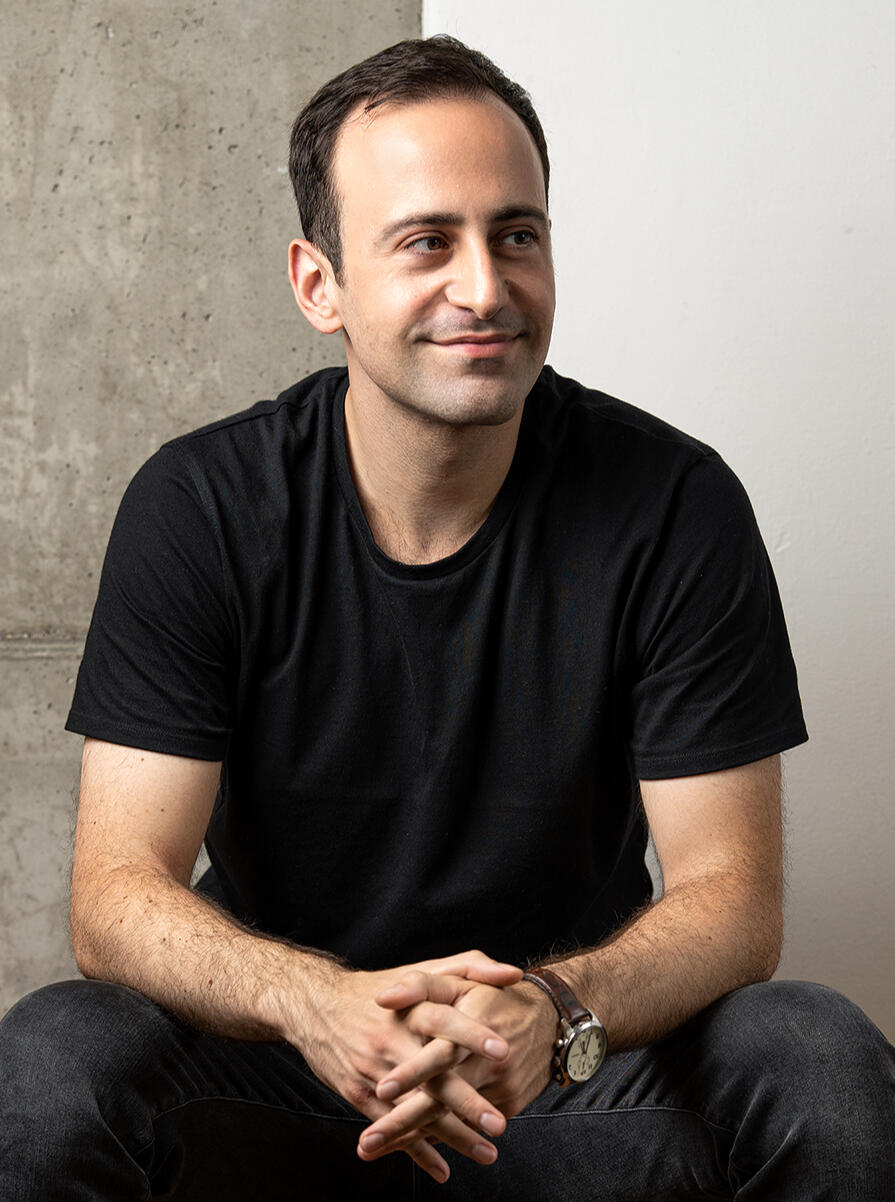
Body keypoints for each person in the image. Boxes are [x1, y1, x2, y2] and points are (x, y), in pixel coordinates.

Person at [1, 34, 892, 1201]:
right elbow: (117, 895)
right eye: (427, 241)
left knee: (817, 1052)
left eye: (515, 234)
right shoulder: (202, 505)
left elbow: (732, 901)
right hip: (282, 1072)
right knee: (51, 1058)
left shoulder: (672, 503)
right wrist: (312, 1002)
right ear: (319, 284)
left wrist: (555, 1008)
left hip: (567, 1077)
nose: (484, 287)